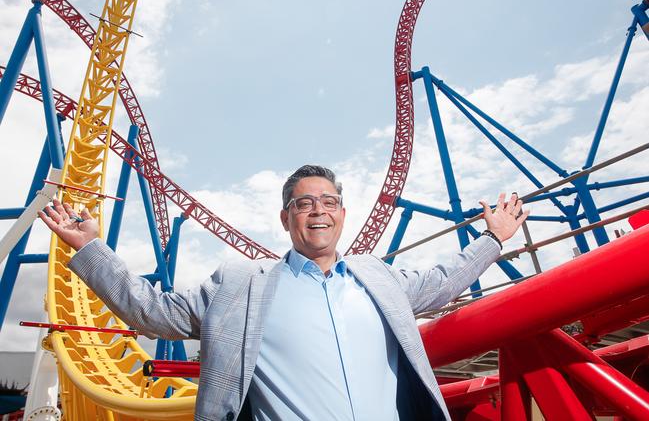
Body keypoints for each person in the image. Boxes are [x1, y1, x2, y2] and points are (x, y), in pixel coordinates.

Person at [39, 164, 528, 421]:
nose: (319, 210)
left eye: (330, 202)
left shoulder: (377, 278)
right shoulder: (242, 285)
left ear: (342, 213)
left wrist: (494, 237)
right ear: (286, 217)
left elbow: (441, 283)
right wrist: (92, 251)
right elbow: (154, 314)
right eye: (305, 203)